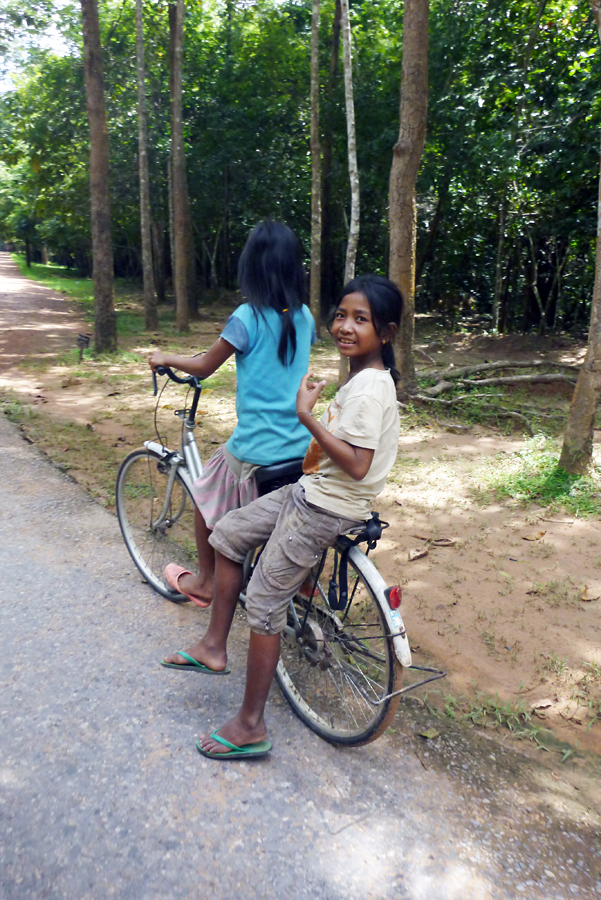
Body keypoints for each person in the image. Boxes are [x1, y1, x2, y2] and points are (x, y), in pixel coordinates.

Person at [167, 273, 403, 759]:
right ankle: (214, 646)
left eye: (361, 319)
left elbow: (357, 464)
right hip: (308, 491)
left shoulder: (370, 388)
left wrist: (306, 416)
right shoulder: (359, 378)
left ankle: (250, 725)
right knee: (227, 534)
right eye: (341, 315)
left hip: (323, 508)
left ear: (386, 332)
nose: (345, 326)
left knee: (264, 602)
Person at [149, 220, 315, 609]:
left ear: (250, 267)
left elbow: (205, 366)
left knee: (206, 489)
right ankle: (304, 582)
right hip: (301, 445)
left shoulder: (247, 317)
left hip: (257, 449)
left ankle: (206, 582)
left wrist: (163, 357)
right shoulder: (304, 316)